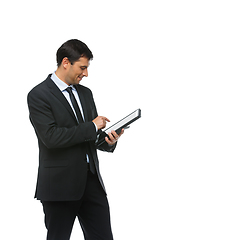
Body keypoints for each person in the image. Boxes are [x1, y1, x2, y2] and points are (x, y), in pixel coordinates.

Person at [27, 39, 124, 240]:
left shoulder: (86, 93)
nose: (86, 74)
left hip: (91, 182)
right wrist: (92, 126)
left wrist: (108, 141)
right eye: (82, 67)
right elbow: (51, 138)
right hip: (59, 186)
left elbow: (92, 137)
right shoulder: (38, 95)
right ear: (65, 62)